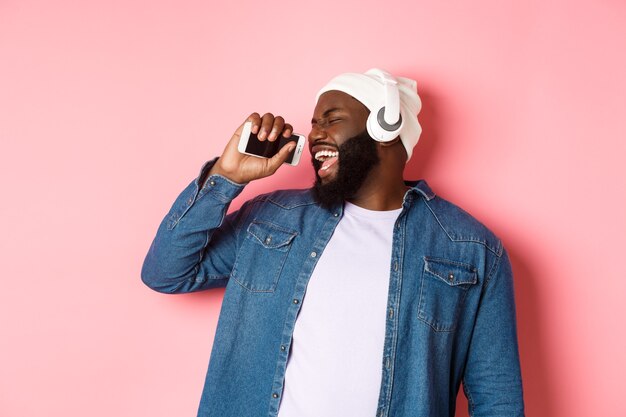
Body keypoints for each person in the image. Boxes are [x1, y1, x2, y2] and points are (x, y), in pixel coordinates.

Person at [141, 69, 525, 417]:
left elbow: (497, 397)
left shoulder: (471, 249)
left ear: (386, 126)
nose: (315, 136)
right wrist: (226, 177)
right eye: (315, 124)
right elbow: (166, 273)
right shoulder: (271, 217)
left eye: (332, 119)